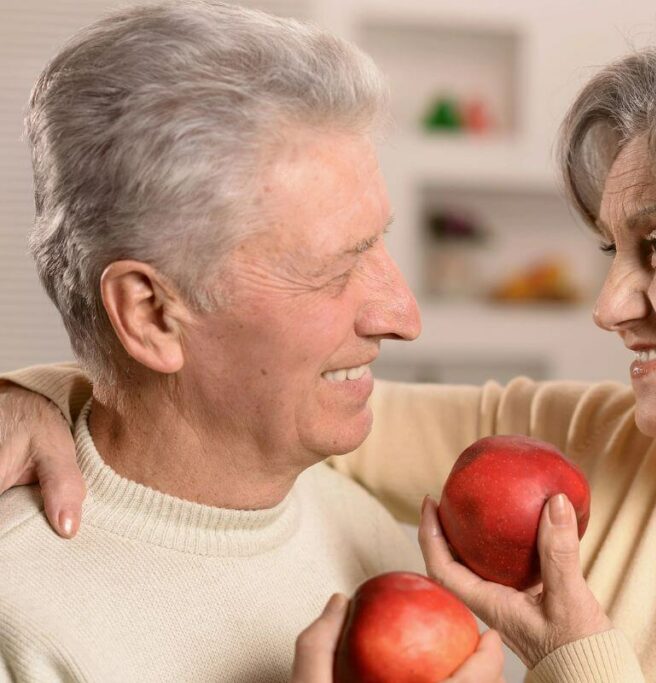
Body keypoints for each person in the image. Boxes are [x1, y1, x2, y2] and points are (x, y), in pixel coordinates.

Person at [4, 6, 656, 682]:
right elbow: (240, 409)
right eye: (608, 247)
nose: (607, 302)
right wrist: (32, 389)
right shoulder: (593, 437)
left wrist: (581, 658)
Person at [0, 2, 509, 681]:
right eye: (337, 267)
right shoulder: (19, 613)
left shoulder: (373, 533)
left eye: (379, 243)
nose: (403, 315)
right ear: (151, 313)